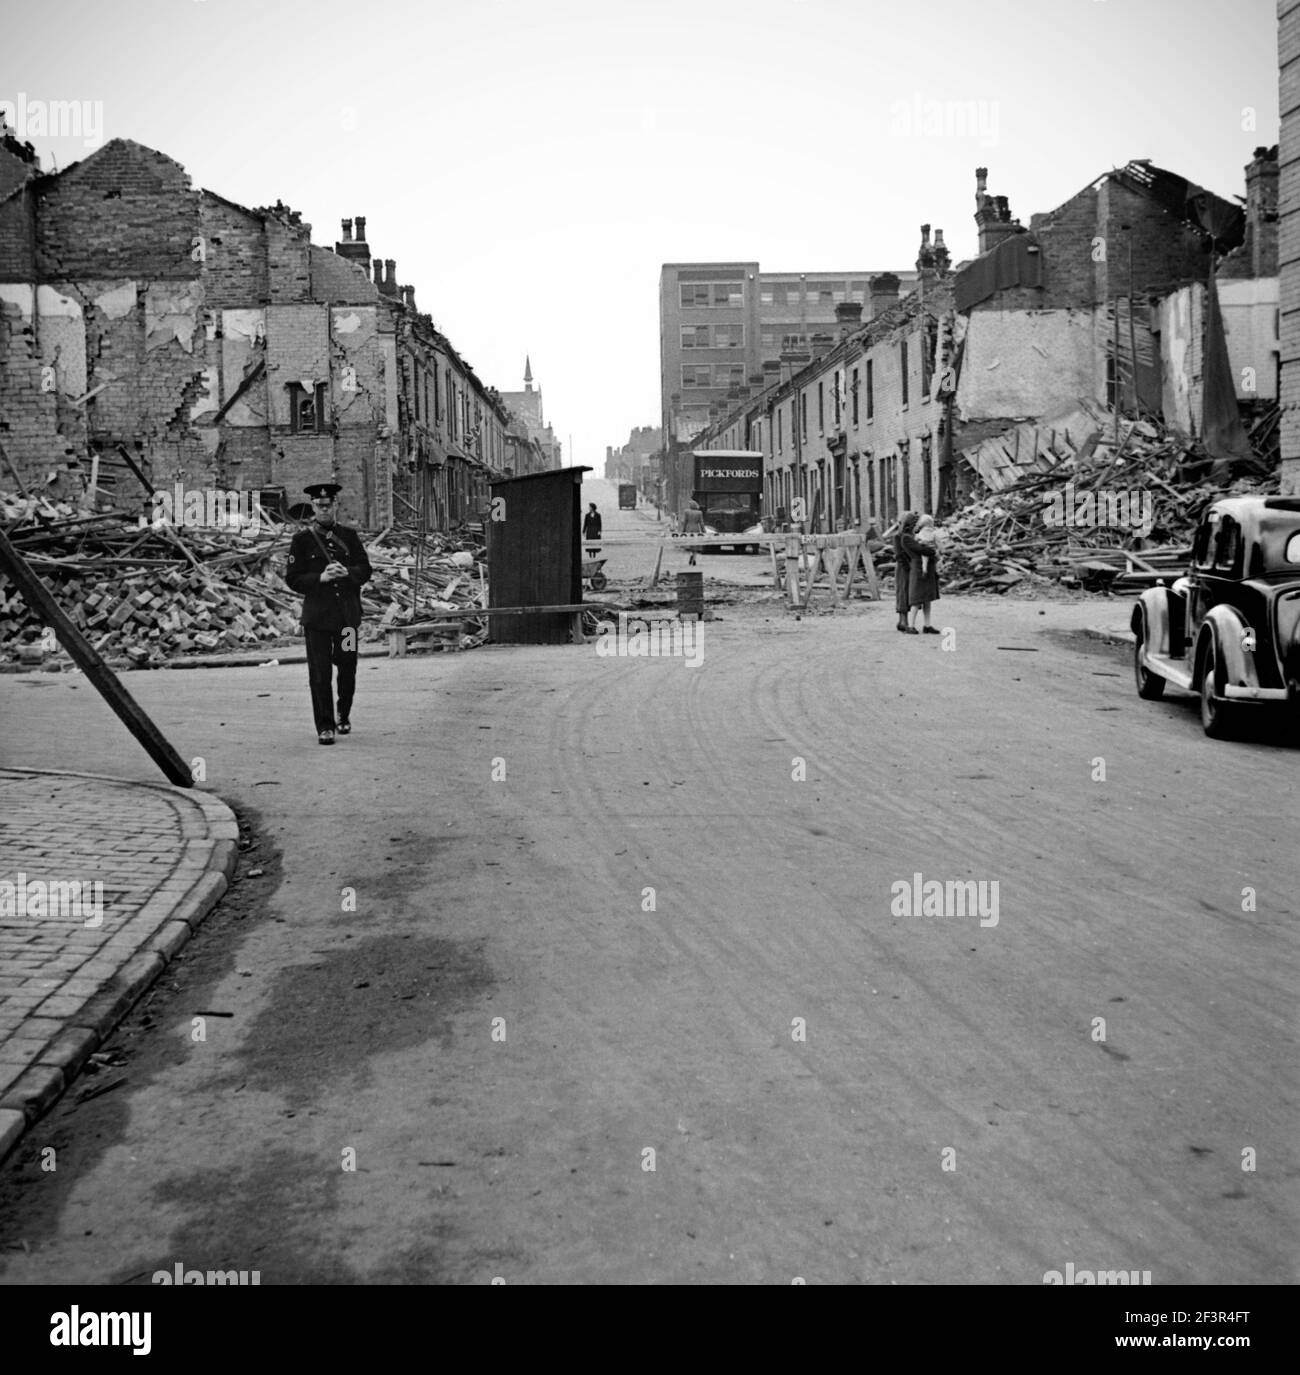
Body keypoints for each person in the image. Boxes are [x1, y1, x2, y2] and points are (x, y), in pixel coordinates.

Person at [285, 482, 373, 745]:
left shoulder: (349, 536)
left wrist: (349, 574)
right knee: (320, 673)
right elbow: (293, 579)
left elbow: (365, 569)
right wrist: (320, 577)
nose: (324, 509)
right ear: (313, 507)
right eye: (319, 505)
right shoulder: (301, 540)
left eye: (328, 505)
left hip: (347, 619)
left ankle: (342, 714)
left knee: (348, 668)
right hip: (318, 620)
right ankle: (325, 726)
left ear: (336, 505)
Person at [905, 513, 941, 634]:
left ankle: (925, 625)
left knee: (926, 599)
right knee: (919, 599)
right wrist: (935, 553)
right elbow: (937, 549)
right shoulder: (909, 538)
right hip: (921, 568)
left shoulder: (917, 536)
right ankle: (912, 625)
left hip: (926, 567)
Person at [889, 511, 918, 632]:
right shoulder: (898, 536)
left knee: (907, 592)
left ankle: (902, 621)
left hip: (909, 566)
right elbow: (898, 555)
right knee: (902, 592)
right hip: (903, 567)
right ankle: (903, 620)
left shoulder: (910, 535)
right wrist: (907, 566)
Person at [681, 498, 705, 566]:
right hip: (696, 529)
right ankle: (694, 559)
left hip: (688, 529)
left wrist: (683, 531)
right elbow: (701, 523)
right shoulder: (699, 513)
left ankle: (691, 554)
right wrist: (704, 531)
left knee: (690, 544)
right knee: (695, 545)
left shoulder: (686, 512)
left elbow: (685, 522)